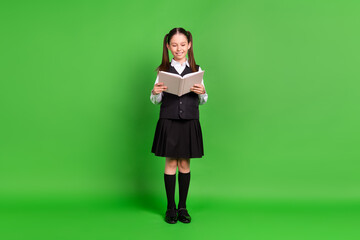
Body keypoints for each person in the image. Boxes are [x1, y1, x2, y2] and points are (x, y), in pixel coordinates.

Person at [150, 27, 208, 224]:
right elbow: (155, 100)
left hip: (189, 121)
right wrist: (155, 91)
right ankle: (170, 207)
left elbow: (203, 100)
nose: (179, 48)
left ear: (189, 45)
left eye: (182, 44)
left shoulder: (197, 70)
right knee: (171, 163)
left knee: (184, 163)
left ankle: (183, 207)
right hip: (169, 121)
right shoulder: (162, 71)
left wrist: (202, 92)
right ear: (168, 46)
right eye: (174, 45)